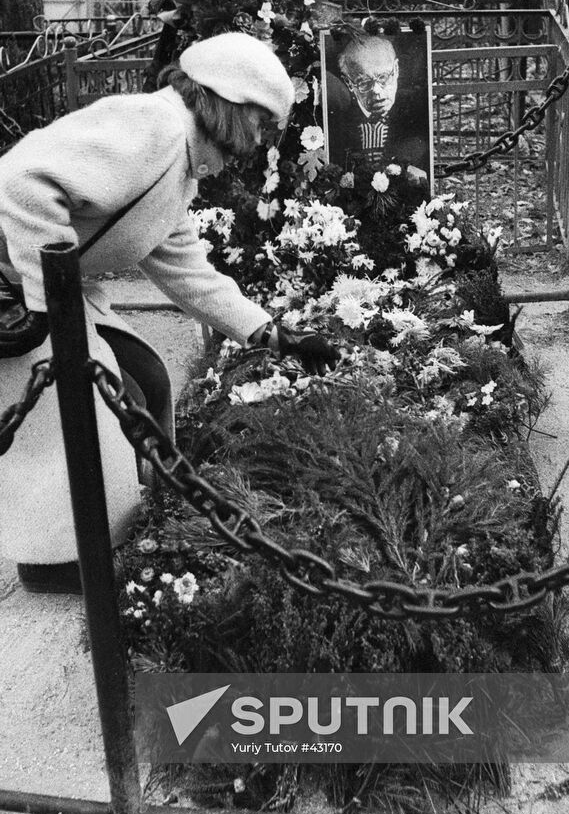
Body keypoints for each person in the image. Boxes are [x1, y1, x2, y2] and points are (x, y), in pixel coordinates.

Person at [0, 32, 339, 595]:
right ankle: (61, 560)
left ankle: (134, 528)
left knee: (148, 378)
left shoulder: (177, 163)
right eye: (259, 122)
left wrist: (271, 333)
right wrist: (44, 309)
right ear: (226, 104)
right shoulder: (151, 128)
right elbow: (21, 187)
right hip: (14, 294)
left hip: (37, 287)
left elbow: (188, 272)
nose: (259, 140)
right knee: (92, 408)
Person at [324, 34, 430, 175]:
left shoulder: (416, 115)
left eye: (383, 78)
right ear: (349, 83)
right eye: (363, 82)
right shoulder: (337, 123)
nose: (376, 91)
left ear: (396, 69)